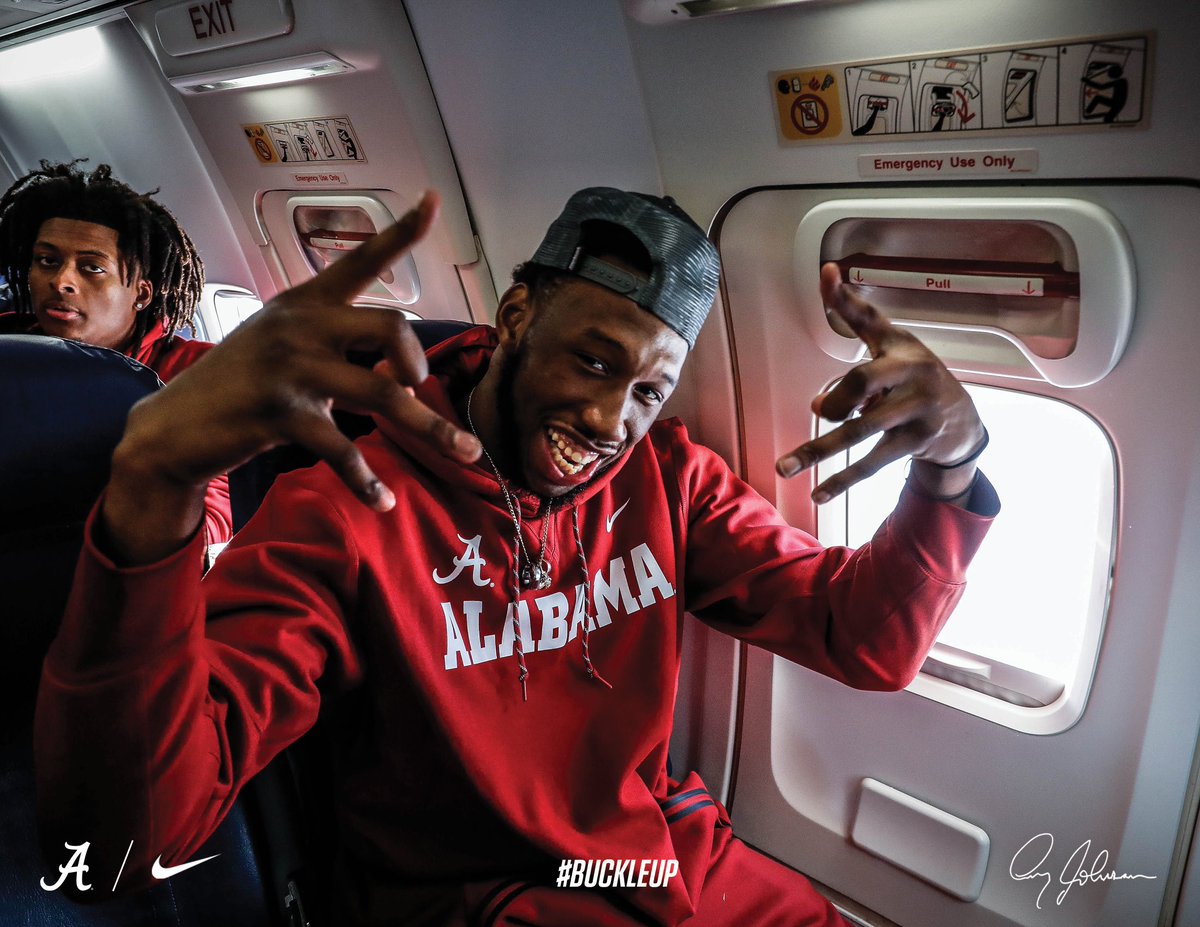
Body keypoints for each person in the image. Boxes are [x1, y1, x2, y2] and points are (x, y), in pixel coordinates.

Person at [35, 188, 998, 926]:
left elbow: (867, 639)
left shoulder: (666, 478)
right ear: (517, 315)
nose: (608, 418)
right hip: (481, 897)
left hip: (658, 866)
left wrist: (950, 469)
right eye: (592, 361)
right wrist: (151, 488)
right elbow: (125, 839)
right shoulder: (344, 511)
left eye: (648, 391)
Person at [0, 159, 231, 545]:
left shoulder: (196, 375)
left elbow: (212, 520)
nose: (61, 281)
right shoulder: (8, 347)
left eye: (91, 268)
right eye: (47, 261)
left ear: (140, 293)